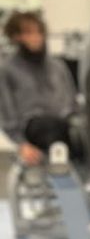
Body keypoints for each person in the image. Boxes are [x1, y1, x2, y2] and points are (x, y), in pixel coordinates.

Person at [0, 10, 79, 166]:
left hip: (65, 123)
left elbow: (72, 102)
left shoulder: (58, 66)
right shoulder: (7, 70)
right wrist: (21, 144)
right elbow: (6, 114)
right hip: (34, 126)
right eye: (29, 33)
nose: (36, 38)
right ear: (16, 37)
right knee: (51, 127)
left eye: (39, 32)